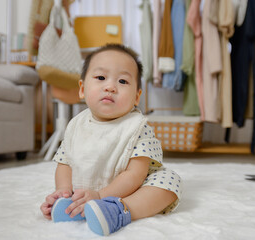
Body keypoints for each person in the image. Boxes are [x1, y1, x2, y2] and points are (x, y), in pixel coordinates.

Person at [40, 44, 182, 236]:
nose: (110, 87)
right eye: (100, 78)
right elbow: (65, 162)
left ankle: (119, 211)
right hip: (86, 191)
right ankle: (71, 207)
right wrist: (63, 191)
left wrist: (101, 196)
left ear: (136, 97)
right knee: (66, 192)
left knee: (170, 181)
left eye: (123, 81)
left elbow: (135, 175)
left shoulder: (137, 128)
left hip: (129, 190)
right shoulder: (76, 125)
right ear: (82, 89)